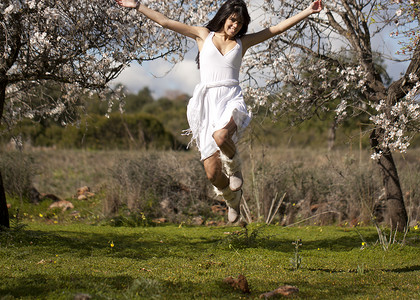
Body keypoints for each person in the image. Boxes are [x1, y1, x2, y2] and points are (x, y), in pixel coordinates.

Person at [115, 0, 323, 223]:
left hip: (230, 99)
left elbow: (277, 28)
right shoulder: (203, 35)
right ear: (224, 17)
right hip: (207, 104)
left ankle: (234, 169)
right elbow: (165, 22)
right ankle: (233, 200)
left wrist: (308, 11)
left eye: (240, 23)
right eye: (233, 20)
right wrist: (137, 6)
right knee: (212, 173)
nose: (235, 26)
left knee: (221, 135)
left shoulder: (243, 43)